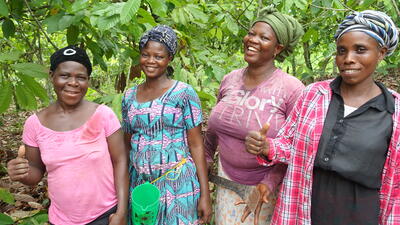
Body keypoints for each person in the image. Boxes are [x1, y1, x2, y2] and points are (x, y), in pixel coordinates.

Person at [245, 10, 400, 225]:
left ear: (381, 53)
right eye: (342, 51)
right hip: (305, 208)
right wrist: (267, 147)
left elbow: (395, 187)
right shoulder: (314, 95)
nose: (349, 59)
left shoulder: (394, 111)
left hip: (361, 215)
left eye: (360, 50)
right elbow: (292, 145)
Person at [204, 6, 304, 225]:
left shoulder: (292, 89)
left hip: (265, 191)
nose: (253, 40)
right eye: (251, 33)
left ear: (278, 48)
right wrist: (204, 163)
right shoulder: (230, 79)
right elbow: (213, 131)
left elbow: (298, 148)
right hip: (226, 182)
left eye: (264, 37)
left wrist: (268, 183)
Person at [6, 46, 129, 225]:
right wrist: (20, 173)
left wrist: (122, 212)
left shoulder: (103, 115)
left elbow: (121, 161)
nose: (73, 82)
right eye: (65, 75)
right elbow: (36, 171)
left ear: (88, 80)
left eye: (81, 77)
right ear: (52, 76)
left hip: (106, 215)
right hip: (61, 219)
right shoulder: (35, 124)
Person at [121, 25, 212, 225]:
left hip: (178, 184)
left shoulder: (183, 93)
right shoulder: (129, 96)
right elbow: (126, 145)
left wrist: (205, 194)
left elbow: (196, 145)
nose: (151, 61)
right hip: (142, 185)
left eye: (158, 56)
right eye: (146, 55)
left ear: (169, 58)